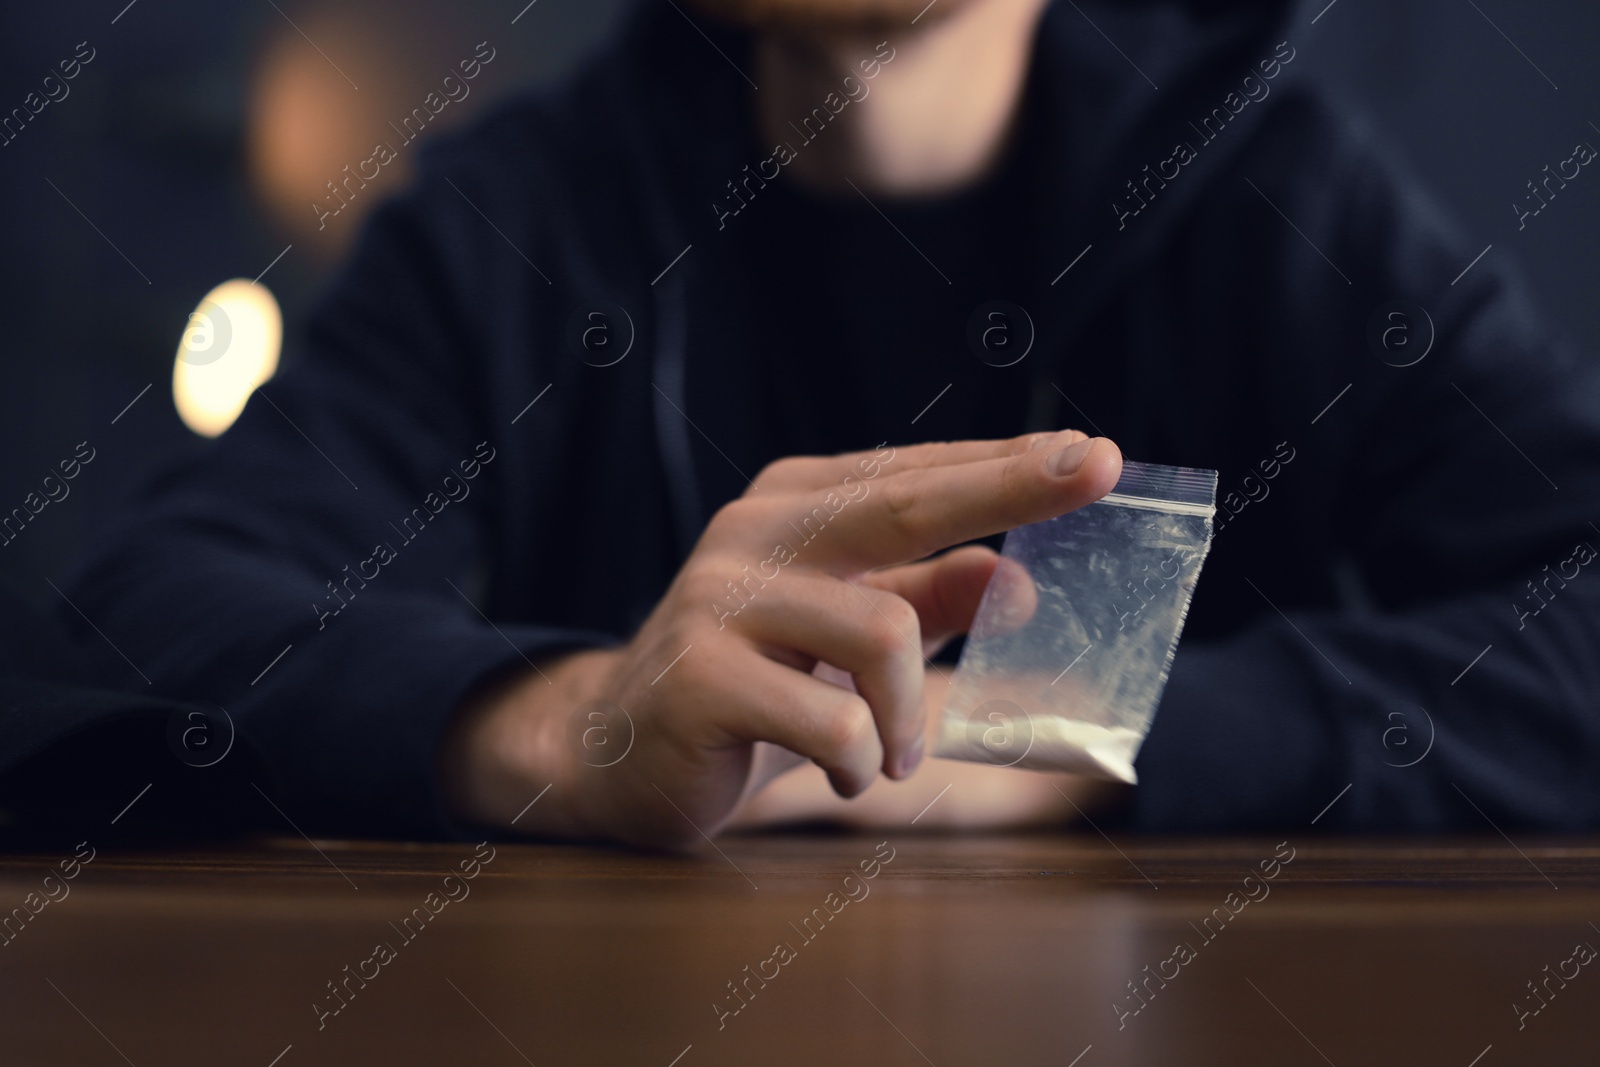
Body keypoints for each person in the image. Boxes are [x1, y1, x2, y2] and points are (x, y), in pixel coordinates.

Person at [59, 0, 1600, 844]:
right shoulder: (518, 210)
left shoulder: (1283, 198)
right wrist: (579, 725)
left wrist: (1054, 750)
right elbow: (148, 616)